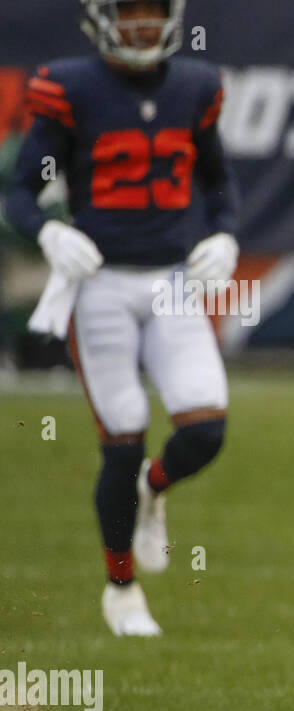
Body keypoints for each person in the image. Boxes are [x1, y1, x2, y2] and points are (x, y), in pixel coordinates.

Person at [4, 0, 238, 636]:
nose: (141, 26)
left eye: (150, 13)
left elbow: (218, 182)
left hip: (170, 281)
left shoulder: (196, 85)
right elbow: (20, 190)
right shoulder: (70, 85)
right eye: (129, 13)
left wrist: (224, 234)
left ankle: (153, 487)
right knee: (125, 428)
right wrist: (48, 232)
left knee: (206, 427)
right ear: (103, 18)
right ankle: (121, 587)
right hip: (100, 283)